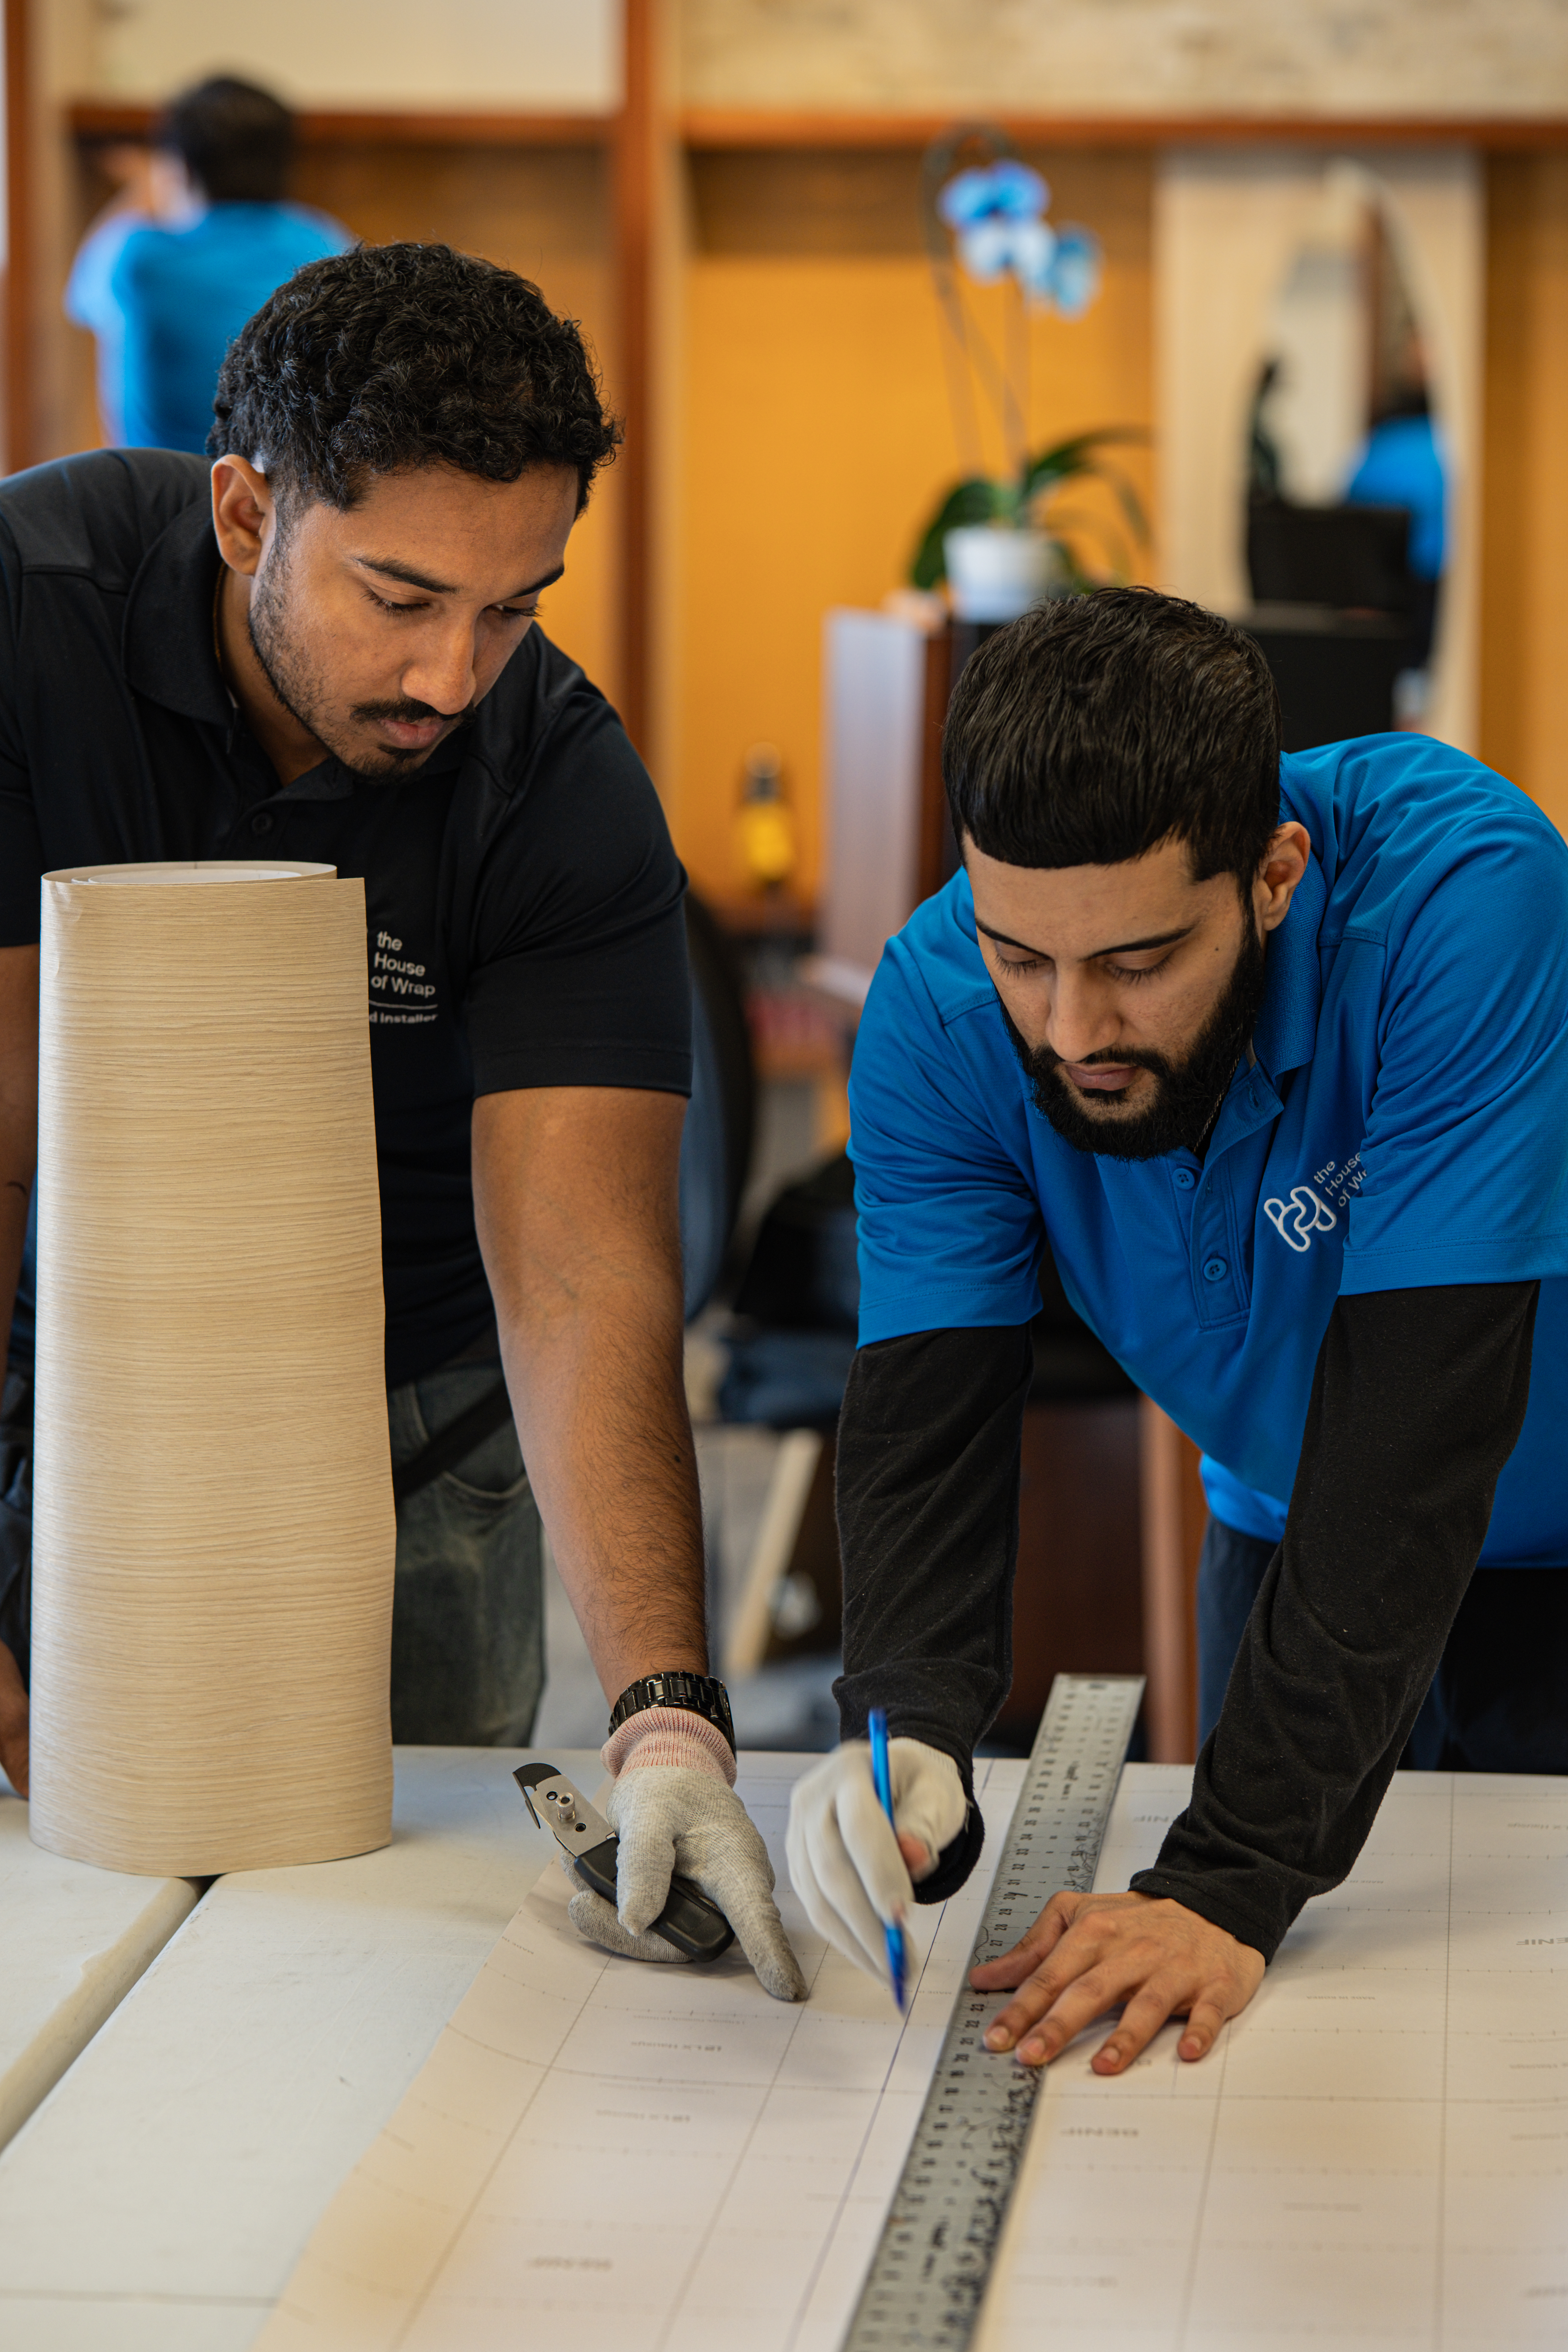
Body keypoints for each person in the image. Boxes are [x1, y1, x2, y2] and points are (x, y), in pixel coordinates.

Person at [0, 241, 803, 2004]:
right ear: (245, 514)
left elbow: (581, 1277)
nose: (452, 675)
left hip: (416, 1425)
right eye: (401, 595)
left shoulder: (558, 781)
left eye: (512, 608)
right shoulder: (28, 614)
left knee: (379, 1972)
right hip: (75, 1389)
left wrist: (670, 1721)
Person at [786, 587, 1568, 2070]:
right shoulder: (937, 1013)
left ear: (1273, 875)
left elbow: (1418, 1425)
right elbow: (930, 1416)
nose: (1071, 1030)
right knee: (1283, 2073)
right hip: (1286, 1540)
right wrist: (907, 1732)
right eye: (1022, 956)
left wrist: (1228, 1872)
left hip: (1522, 1523)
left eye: (1137, 963)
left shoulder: (1461, 896)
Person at [66, 77, 349, 453]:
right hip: (276, 482)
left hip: (160, 484)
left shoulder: (140, 257)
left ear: (180, 167)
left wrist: (142, 185)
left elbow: (81, 299)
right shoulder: (324, 245)